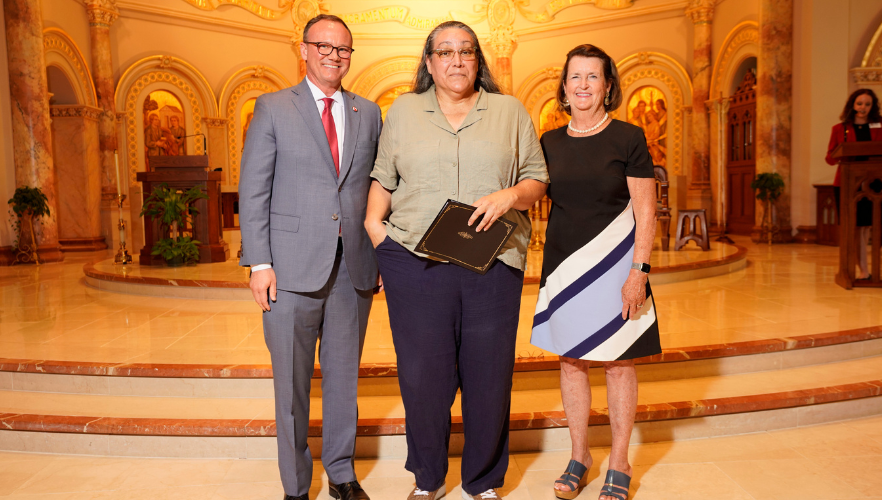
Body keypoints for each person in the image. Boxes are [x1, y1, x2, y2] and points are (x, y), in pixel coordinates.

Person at [365, 20, 548, 500]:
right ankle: (427, 480)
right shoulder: (403, 111)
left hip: (492, 262)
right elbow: (383, 178)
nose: (456, 60)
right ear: (428, 63)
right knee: (424, 376)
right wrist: (376, 231)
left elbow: (536, 179)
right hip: (415, 262)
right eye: (444, 52)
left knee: (488, 376)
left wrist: (510, 195)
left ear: (478, 60)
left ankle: (483, 481)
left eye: (466, 51)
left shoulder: (509, 111)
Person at [238, 14, 382, 500]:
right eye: (324, 45)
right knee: (292, 389)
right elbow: (253, 189)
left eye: (343, 49)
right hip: (289, 269)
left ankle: (342, 474)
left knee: (343, 382)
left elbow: (377, 189)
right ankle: (297, 486)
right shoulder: (274, 107)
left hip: (352, 269)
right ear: (303, 50)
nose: (334, 55)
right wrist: (259, 263)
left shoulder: (370, 113)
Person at [530, 44, 661, 500]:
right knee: (571, 362)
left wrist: (638, 272)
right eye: (574, 77)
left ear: (608, 86)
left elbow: (647, 211)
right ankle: (580, 454)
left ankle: (620, 461)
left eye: (592, 77)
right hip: (565, 266)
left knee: (619, 364)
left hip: (616, 265)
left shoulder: (628, 137)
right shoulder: (548, 142)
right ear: (563, 88)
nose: (582, 85)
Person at [825, 88, 882, 280]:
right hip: (848, 183)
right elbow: (830, 157)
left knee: (867, 227)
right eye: (859, 103)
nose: (863, 107)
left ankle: (866, 269)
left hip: (874, 183)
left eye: (867, 104)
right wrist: (840, 154)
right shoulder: (840, 129)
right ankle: (858, 269)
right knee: (854, 227)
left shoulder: (879, 126)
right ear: (852, 105)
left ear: (873, 106)